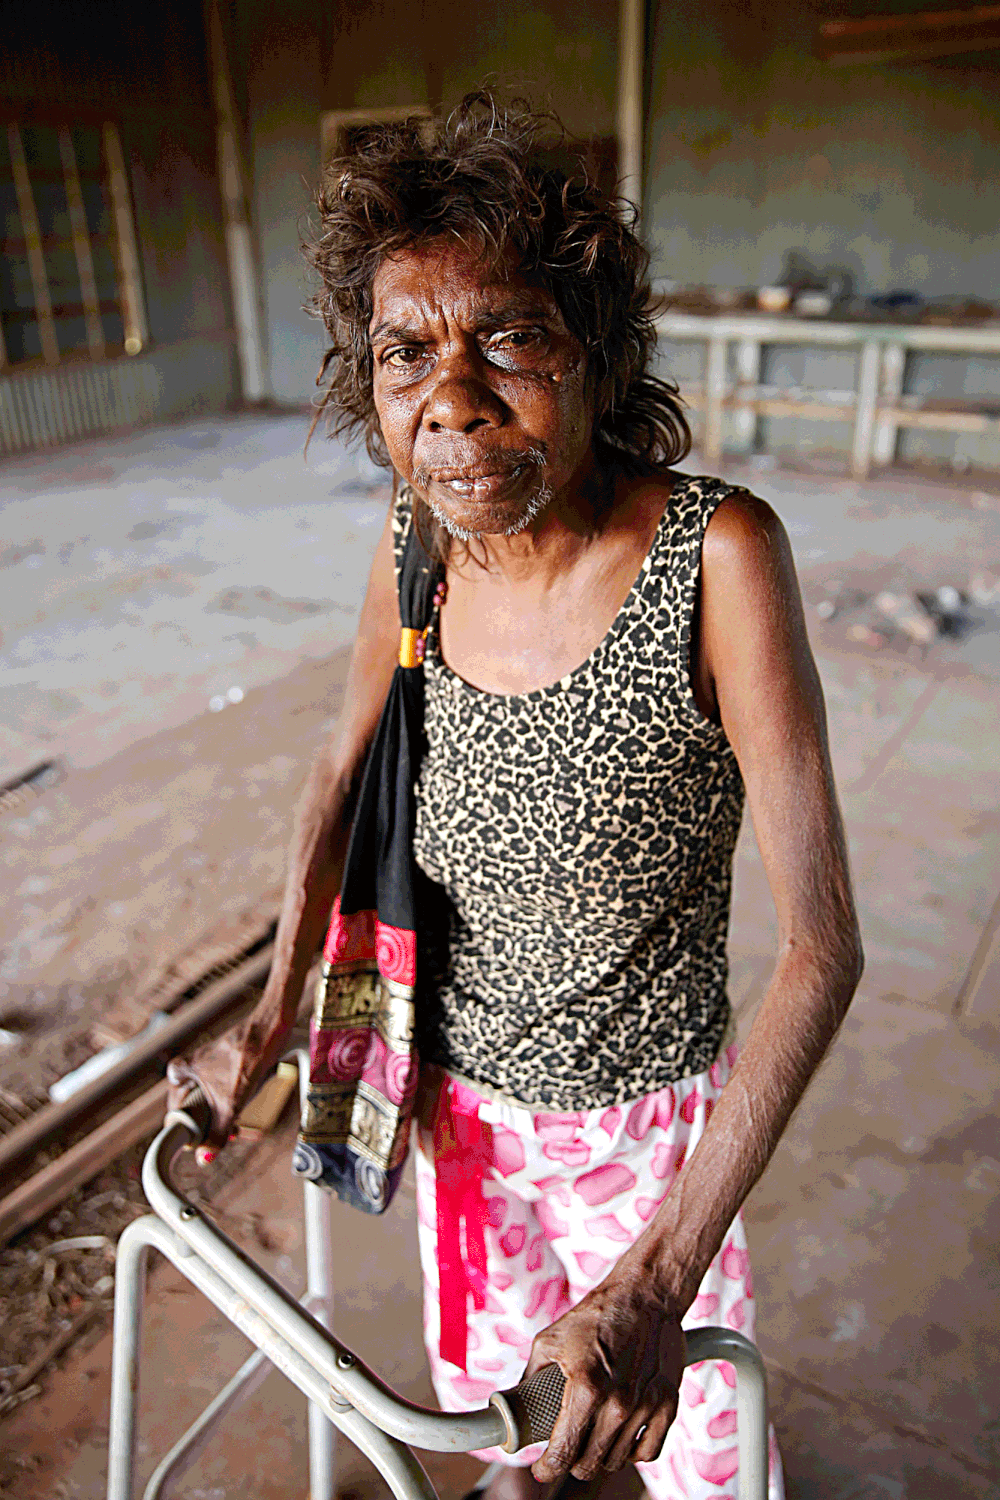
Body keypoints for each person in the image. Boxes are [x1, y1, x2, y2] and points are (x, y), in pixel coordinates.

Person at [168, 94, 862, 1500]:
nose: (453, 399)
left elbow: (822, 950)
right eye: (405, 353)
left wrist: (659, 1281)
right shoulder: (417, 545)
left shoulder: (716, 557)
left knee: (706, 1463)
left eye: (510, 338)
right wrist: (272, 1020)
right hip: (460, 1118)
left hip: (652, 1136)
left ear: (596, 356)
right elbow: (338, 772)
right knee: (510, 1435)